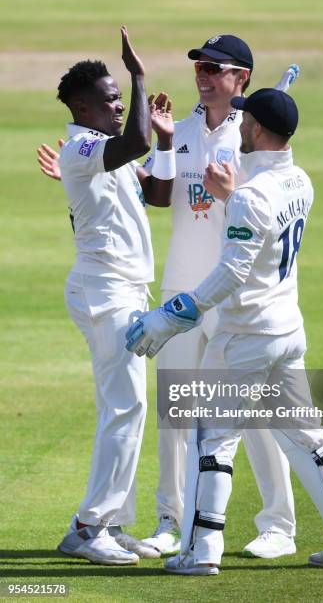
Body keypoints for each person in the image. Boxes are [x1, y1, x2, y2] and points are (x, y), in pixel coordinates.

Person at [37, 34, 299, 561]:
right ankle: (138, 523)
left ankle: (276, 524)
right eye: (199, 65)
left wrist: (159, 151)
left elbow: (167, 192)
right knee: (157, 410)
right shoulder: (140, 138)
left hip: (229, 295)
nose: (202, 74)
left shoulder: (251, 137)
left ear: (241, 78)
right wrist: (148, 123)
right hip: (157, 292)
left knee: (245, 413)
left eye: (214, 67)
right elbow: (140, 172)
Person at [126, 88, 323, 575]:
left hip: (246, 337)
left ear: (259, 131)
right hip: (288, 330)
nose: (239, 127)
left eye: (246, 122)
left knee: (214, 440)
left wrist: (173, 313)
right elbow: (260, 232)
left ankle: (200, 552)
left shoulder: (250, 195)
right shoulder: (300, 181)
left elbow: (232, 273)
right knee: (310, 434)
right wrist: (231, 199)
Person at [52, 26, 176, 565]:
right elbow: (136, 142)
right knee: (127, 408)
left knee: (124, 408)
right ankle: (88, 526)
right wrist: (140, 74)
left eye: (121, 99)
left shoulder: (108, 151)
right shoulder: (82, 145)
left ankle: (109, 521)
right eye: (110, 100)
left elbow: (161, 193)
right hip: (106, 292)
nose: (120, 106)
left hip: (123, 288)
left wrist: (169, 141)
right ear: (82, 106)